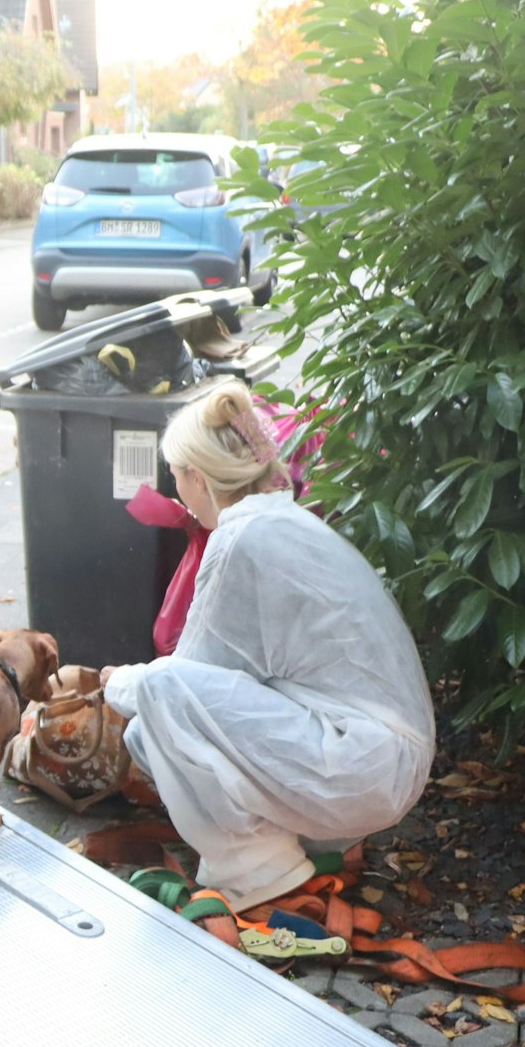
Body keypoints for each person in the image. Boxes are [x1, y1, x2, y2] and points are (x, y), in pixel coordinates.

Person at [102, 384, 434, 911]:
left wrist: (112, 683)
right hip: (380, 761)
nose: (178, 491)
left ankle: (257, 874)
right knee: (154, 718)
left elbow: (184, 682)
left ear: (196, 476)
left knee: (157, 694)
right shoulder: (287, 522)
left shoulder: (241, 538)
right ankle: (291, 850)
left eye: (177, 476)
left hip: (361, 765)